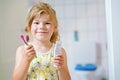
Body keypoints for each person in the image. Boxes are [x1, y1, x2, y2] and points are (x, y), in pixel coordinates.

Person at [12, 2, 71, 80]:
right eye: (36, 23)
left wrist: (61, 68)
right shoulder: (22, 51)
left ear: (55, 27)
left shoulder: (60, 51)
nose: (41, 27)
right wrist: (26, 61)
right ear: (29, 26)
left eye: (47, 23)